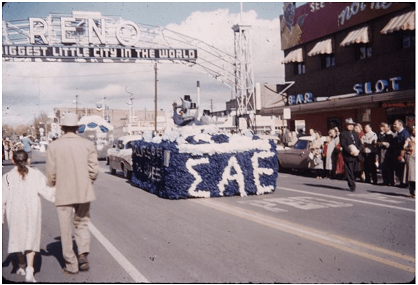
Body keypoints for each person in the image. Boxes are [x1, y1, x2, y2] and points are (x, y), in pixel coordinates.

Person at [46, 113, 99, 274]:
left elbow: (51, 173)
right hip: (83, 191)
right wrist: (88, 181)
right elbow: (94, 170)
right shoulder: (87, 144)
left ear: (62, 127)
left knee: (65, 229)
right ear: (77, 128)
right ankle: (82, 253)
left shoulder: (54, 146)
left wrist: (52, 182)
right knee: (82, 223)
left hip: (63, 192)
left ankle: (71, 264)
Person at [2, 150, 55, 283]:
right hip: (32, 210)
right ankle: (30, 270)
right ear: (27, 160)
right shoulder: (36, 174)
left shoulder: (6, 177)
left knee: (17, 237)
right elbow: (47, 192)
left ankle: (21, 266)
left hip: (14, 211)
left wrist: (1, 216)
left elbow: (1, 199)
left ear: (13, 161)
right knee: (31, 237)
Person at [340, 118, 362, 191]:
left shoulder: (355, 134)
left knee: (357, 170)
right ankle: (352, 185)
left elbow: (359, 143)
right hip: (348, 155)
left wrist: (358, 150)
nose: (351, 126)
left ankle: (353, 179)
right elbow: (343, 145)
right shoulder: (343, 134)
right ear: (346, 125)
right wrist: (350, 152)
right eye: (349, 125)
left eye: (352, 125)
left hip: (356, 154)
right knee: (350, 170)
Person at [390, 119, 410, 187]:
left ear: (400, 125)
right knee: (398, 169)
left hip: (402, 153)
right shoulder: (397, 133)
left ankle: (404, 183)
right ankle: (401, 182)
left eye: (395, 124)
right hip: (396, 153)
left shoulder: (405, 133)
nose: (394, 125)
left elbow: (406, 144)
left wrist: (402, 154)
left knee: (402, 169)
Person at [402, 126, 415, 197]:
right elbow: (404, 146)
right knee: (411, 175)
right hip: (410, 157)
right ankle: (412, 190)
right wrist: (409, 147)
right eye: (413, 130)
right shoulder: (409, 138)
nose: (414, 131)